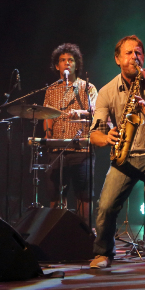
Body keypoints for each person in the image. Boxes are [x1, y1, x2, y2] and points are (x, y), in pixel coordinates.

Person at [89, 35, 145, 272]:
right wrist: (106, 137)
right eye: (128, 53)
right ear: (117, 59)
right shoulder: (107, 91)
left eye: (138, 52)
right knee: (106, 205)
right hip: (125, 155)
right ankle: (103, 253)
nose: (134, 57)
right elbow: (94, 134)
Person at [43, 43, 97, 223]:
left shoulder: (87, 87)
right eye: (63, 60)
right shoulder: (51, 89)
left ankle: (84, 234)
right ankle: (56, 234)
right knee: (55, 196)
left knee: (83, 196)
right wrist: (47, 135)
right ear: (57, 66)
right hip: (56, 151)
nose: (67, 63)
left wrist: (81, 113)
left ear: (76, 65)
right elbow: (47, 116)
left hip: (81, 150)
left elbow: (97, 113)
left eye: (71, 60)